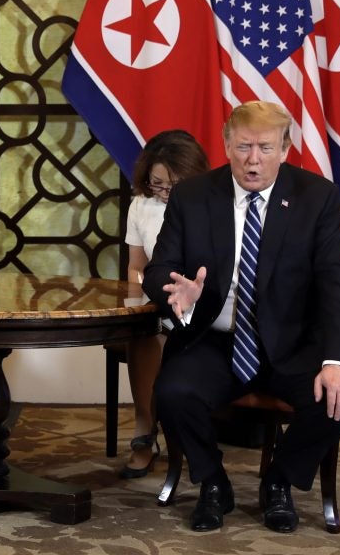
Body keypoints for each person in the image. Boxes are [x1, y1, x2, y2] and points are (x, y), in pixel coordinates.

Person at [143, 101, 340, 533]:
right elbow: (157, 270)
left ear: (285, 148)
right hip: (217, 338)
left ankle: (278, 483)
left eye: (264, 147)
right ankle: (213, 483)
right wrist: (176, 288)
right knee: (172, 392)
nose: (252, 159)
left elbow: (339, 284)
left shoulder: (316, 197)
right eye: (243, 147)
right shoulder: (194, 194)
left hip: (292, 343)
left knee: (336, 400)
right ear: (226, 145)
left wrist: (339, 362)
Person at [120, 130, 210, 479]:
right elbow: (136, 267)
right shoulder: (142, 205)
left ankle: (187, 431)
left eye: (174, 184)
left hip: (202, 301)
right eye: (158, 183)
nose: (165, 191)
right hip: (158, 299)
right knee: (142, 332)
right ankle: (145, 431)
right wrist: (139, 303)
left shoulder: (212, 203)